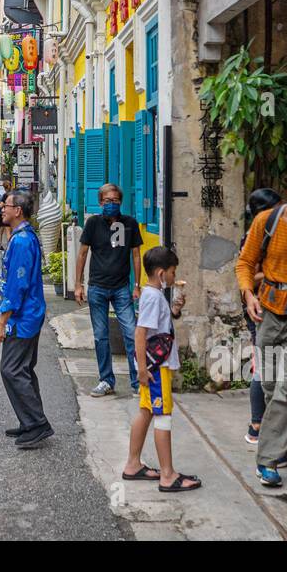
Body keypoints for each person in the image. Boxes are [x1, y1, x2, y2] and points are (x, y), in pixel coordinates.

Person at [236, 169, 287, 488]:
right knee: (268, 386)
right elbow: (245, 262)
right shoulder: (267, 220)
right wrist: (248, 293)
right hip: (268, 312)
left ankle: (267, 461)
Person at [122, 246, 201, 493]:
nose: (173, 276)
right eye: (172, 271)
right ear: (160, 273)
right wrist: (143, 371)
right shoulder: (154, 297)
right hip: (157, 368)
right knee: (162, 416)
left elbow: (159, 327)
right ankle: (167, 475)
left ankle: (133, 464)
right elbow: (140, 332)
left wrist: (175, 309)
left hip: (152, 367)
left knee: (146, 411)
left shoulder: (152, 294)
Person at [0, 189, 52, 449]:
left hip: (22, 317)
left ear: (17, 210)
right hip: (28, 314)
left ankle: (37, 423)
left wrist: (2, 320)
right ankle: (29, 420)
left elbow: (17, 285)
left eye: (6, 205)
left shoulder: (21, 241)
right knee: (23, 369)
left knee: (12, 369)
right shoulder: (23, 236)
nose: (2, 208)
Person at [75, 183, 144, 398]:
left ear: (120, 202)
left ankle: (137, 382)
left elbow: (135, 255)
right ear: (100, 202)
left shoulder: (129, 223)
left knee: (131, 335)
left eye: (115, 200)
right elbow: (83, 253)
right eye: (107, 200)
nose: (111, 204)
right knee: (100, 337)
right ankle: (106, 380)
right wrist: (78, 284)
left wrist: (137, 286)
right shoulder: (93, 223)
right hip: (97, 288)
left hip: (122, 288)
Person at [241, 188, 283, 446]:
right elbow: (248, 271)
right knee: (262, 366)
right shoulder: (256, 234)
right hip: (258, 306)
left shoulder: (274, 231)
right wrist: (273, 275)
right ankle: (256, 424)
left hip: (269, 305)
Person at [0, 181, 12, 250]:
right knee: (9, 231)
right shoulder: (13, 194)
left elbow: (1, 205)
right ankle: (9, 245)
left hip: (4, 214)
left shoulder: (5, 195)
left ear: (4, 187)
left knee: (1, 231)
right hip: (11, 213)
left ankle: (0, 246)